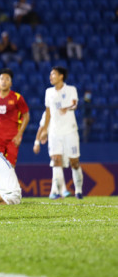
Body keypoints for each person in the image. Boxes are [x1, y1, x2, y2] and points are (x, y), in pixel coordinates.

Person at [40, 66, 84, 199]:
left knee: (74, 161)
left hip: (70, 131)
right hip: (54, 132)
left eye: (53, 74)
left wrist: (67, 107)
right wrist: (44, 131)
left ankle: (78, 190)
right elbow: (48, 113)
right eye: (50, 74)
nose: (50, 77)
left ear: (61, 76)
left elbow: (75, 104)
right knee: (56, 160)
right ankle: (58, 192)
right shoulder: (48, 92)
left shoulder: (71, 89)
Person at [0, 68, 29, 167]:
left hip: (13, 137)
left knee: (10, 167)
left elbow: (26, 116)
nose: (4, 81)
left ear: (11, 83)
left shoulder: (17, 98)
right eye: (2, 79)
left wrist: (19, 135)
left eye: (7, 79)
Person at [33, 111, 71, 198]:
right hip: (53, 140)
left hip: (64, 140)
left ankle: (54, 191)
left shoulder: (65, 111)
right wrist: (37, 143)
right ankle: (63, 190)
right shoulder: (48, 112)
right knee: (57, 161)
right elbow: (41, 128)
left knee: (60, 165)